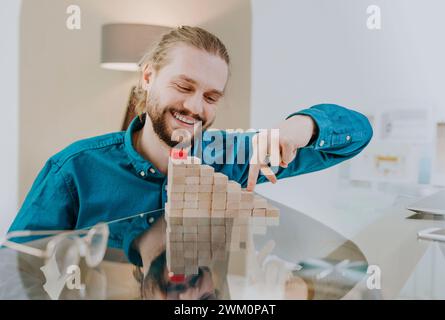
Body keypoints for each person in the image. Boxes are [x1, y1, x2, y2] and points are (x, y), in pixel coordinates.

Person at [9, 26, 373, 246]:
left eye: (211, 97)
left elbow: (358, 132)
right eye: (184, 86)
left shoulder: (236, 156)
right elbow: (14, 274)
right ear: (148, 78)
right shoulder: (74, 169)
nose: (195, 108)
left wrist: (296, 127)